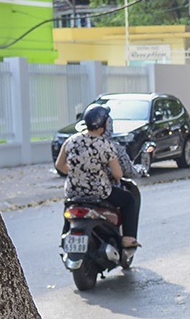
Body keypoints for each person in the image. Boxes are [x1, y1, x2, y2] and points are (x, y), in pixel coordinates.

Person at [54, 104, 141, 248]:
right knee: (128, 200)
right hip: (99, 193)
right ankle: (128, 238)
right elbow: (117, 174)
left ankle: (65, 236)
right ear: (104, 124)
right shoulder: (105, 145)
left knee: (68, 206)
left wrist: (79, 173)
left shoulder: (71, 141)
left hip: (73, 191)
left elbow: (59, 165)